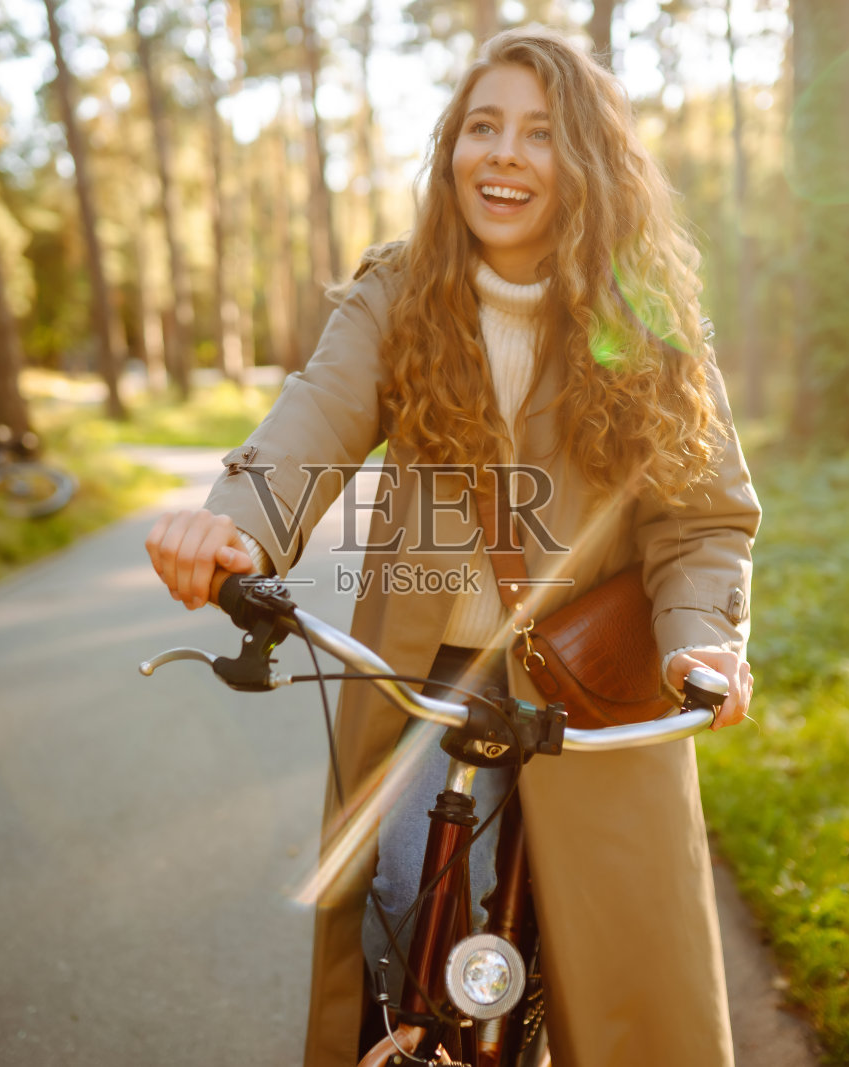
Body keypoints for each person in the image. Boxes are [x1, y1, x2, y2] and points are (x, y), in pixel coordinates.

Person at [145, 25, 760, 1067]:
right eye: (482, 127)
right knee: (398, 899)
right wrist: (233, 525)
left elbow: (701, 514)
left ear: (589, 166)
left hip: (595, 688)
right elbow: (309, 422)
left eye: (540, 133)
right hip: (423, 674)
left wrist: (699, 640)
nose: (504, 153)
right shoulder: (400, 292)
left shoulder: (646, 317)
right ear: (451, 153)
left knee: (619, 984)